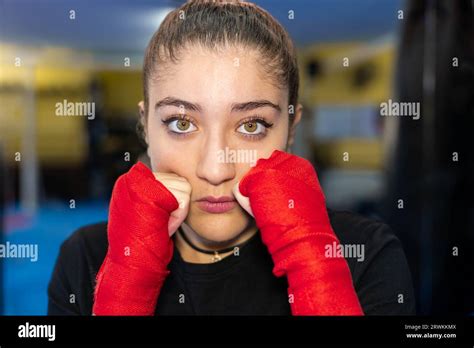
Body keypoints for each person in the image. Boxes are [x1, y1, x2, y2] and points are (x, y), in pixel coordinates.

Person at [48, 0, 415, 316]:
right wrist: (127, 281)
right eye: (181, 122)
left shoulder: (365, 254)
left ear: (290, 128)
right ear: (145, 126)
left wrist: (313, 263)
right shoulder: (87, 258)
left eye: (251, 125)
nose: (215, 169)